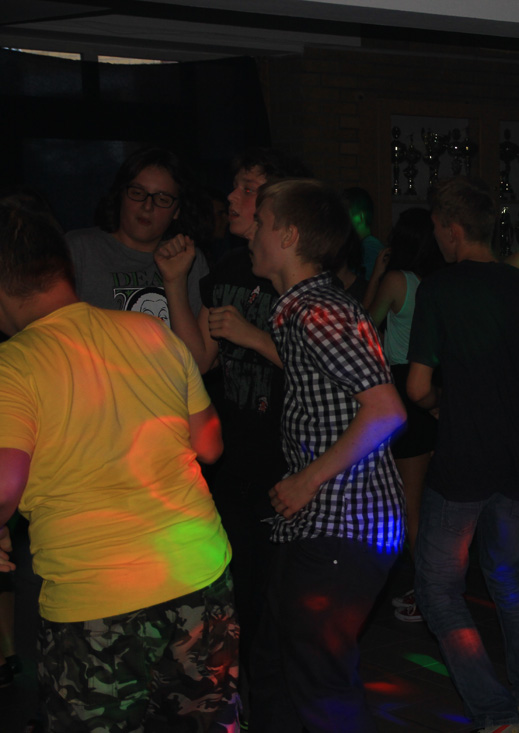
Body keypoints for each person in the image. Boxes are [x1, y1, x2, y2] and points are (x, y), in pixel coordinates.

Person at [0, 201, 238, 731]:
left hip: (96, 603)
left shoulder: (14, 365)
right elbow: (209, 445)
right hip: (198, 577)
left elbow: (3, 489)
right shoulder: (150, 332)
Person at [244, 179, 406, 732]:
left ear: (288, 236)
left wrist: (306, 479)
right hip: (320, 523)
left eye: (260, 222)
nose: (250, 233)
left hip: (345, 525)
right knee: (275, 668)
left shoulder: (320, 312)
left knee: (319, 682)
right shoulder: (302, 310)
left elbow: (386, 411)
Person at [154, 149, 311, 703]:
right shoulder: (225, 270)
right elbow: (199, 360)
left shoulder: (303, 280)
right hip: (234, 459)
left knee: (278, 602)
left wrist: (253, 337)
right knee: (235, 592)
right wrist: (176, 283)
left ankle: (275, 702)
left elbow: (332, 372)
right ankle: (241, 702)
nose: (232, 198)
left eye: (247, 188)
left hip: (288, 467)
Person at [407, 176, 519, 733]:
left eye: (437, 229)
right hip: (516, 460)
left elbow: (417, 387)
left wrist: (445, 408)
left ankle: (495, 713)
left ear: (452, 229)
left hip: (462, 461)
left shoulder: (439, 290)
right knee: (507, 574)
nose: (437, 239)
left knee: (438, 590)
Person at [364, 207, 445, 622]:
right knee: (431, 501)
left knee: (411, 503)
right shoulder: (442, 281)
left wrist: (377, 276)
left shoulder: (399, 280)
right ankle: (435, 586)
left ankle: (429, 593)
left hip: (405, 386)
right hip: (437, 386)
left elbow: (363, 327)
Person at [67, 146, 211, 325]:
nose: (147, 206)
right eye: (137, 193)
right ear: (121, 194)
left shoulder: (188, 258)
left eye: (162, 199)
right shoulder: (78, 249)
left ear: (177, 210)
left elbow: (199, 341)